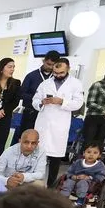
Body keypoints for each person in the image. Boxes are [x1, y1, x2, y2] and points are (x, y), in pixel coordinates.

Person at [32, 57, 85, 186]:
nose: (58, 75)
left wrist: (61, 101)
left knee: (55, 157)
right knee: (39, 156)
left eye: (61, 73)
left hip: (60, 124)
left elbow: (78, 103)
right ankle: (35, 184)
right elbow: (35, 100)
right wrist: (41, 102)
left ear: (68, 69)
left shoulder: (76, 84)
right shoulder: (45, 83)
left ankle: (51, 186)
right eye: (55, 73)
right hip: (44, 123)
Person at [13, 50, 60, 144]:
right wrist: (37, 98)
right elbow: (21, 94)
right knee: (26, 139)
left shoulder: (56, 78)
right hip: (30, 113)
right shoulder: (31, 76)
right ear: (43, 61)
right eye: (48, 64)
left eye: (53, 65)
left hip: (48, 114)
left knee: (42, 140)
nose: (50, 67)